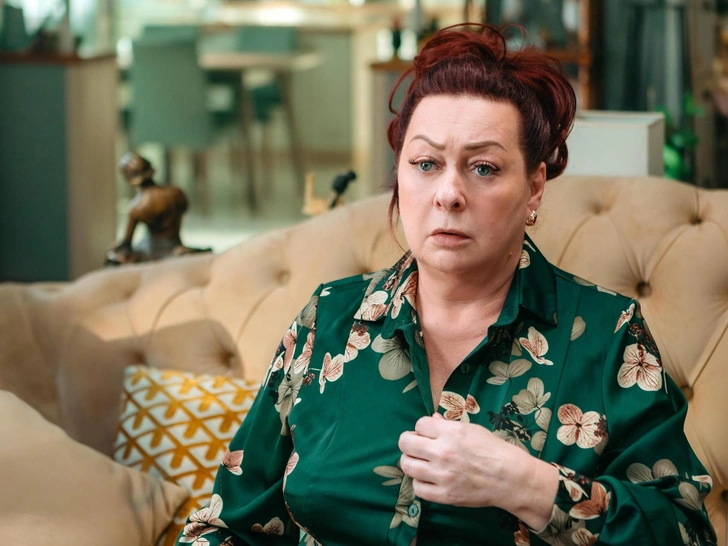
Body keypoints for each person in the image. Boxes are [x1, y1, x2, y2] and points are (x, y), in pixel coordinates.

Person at [176, 24, 716, 546]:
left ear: (534, 187)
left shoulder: (607, 334)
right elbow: (227, 524)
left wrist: (528, 486)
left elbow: (686, 532)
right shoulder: (329, 319)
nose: (449, 193)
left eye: (483, 168)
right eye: (426, 163)